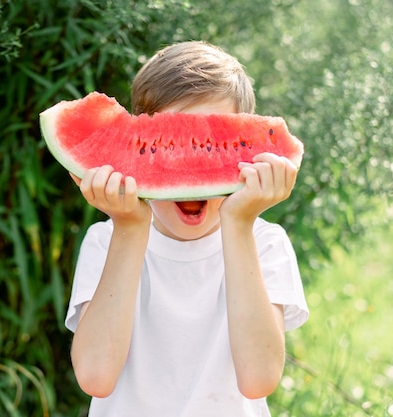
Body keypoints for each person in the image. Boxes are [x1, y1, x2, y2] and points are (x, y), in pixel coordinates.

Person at [64, 41, 309, 416]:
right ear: (138, 144)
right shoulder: (106, 239)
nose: (188, 168)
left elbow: (259, 379)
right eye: (166, 146)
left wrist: (239, 225)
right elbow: (96, 376)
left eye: (210, 146)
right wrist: (129, 230)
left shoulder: (265, 242)